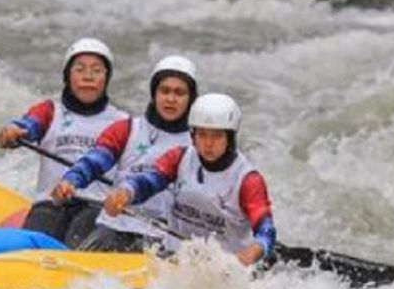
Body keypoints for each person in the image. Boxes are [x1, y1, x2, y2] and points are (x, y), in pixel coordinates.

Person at [104, 93, 276, 267]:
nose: (208, 144)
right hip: (175, 258)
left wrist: (251, 253)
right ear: (193, 135)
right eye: (202, 135)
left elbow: (265, 230)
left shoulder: (248, 180)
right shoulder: (178, 158)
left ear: (230, 138)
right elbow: (147, 182)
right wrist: (125, 193)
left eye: (217, 136)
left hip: (225, 267)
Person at [50, 55, 198, 252]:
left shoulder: (199, 144)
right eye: (165, 91)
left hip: (166, 237)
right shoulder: (126, 129)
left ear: (190, 99)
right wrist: (71, 181)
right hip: (116, 227)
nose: (171, 99)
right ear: (154, 93)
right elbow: (94, 162)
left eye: (179, 93)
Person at [0, 38, 127, 247]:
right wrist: (13, 133)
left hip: (95, 207)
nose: (88, 77)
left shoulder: (122, 121)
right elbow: (29, 125)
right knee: (37, 236)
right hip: (50, 204)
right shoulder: (49, 111)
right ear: (68, 76)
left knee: (83, 239)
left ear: (106, 78)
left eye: (97, 70)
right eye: (80, 69)